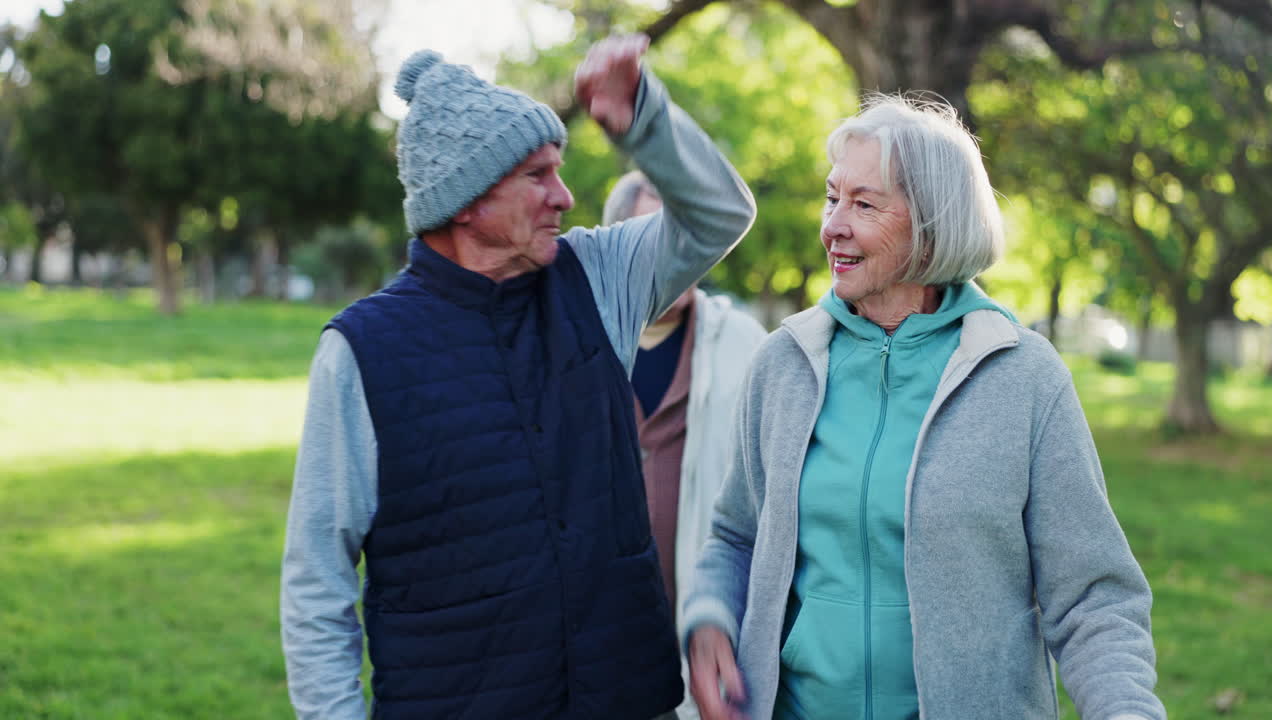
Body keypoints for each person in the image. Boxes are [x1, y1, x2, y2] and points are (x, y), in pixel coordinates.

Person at [280, 35, 756, 720]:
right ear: (467, 200)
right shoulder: (362, 350)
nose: (564, 197)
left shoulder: (596, 277)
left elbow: (720, 214)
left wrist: (642, 119)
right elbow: (316, 582)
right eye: (538, 175)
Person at [682, 95, 1165, 720]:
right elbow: (735, 534)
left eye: (864, 203)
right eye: (832, 198)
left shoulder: (1023, 378)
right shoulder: (785, 365)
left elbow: (1094, 596)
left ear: (931, 224)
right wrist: (711, 614)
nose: (833, 225)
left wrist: (1126, 709)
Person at [602, 171, 768, 720]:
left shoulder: (746, 346)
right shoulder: (579, 348)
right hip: (599, 662)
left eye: (687, 235)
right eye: (656, 237)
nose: (679, 253)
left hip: (711, 659)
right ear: (617, 248)